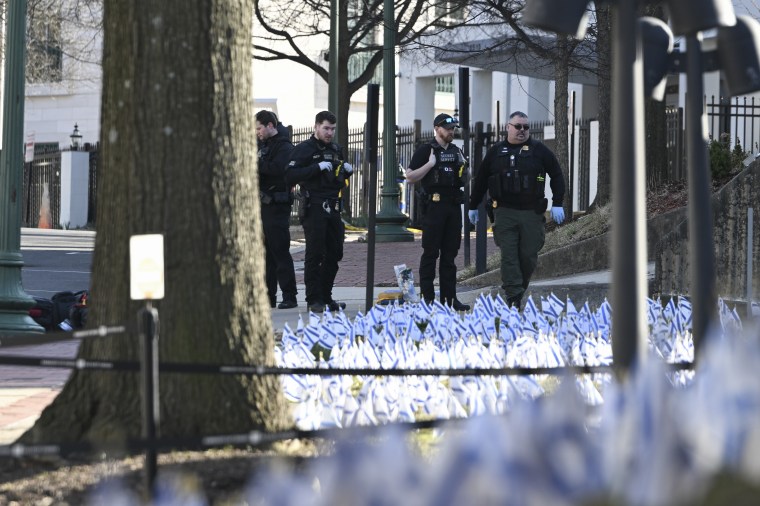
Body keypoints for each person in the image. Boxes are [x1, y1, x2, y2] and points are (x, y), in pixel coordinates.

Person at [467, 111, 566, 309]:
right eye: (518, 126)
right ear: (508, 127)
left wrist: (557, 202)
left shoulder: (539, 150)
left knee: (528, 255)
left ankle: (518, 290)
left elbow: (556, 174)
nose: (522, 131)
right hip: (504, 212)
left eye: (525, 127)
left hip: (531, 212)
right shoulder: (496, 152)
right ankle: (514, 297)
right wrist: (473, 205)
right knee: (509, 255)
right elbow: (481, 179)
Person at [286, 111, 353, 313]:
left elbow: (338, 179)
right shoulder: (304, 149)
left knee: (335, 252)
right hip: (314, 205)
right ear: (316, 127)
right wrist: (315, 168)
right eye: (326, 128)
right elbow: (289, 175)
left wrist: (345, 170)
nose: (329, 132)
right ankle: (314, 299)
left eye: (332, 129)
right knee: (315, 254)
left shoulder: (335, 149)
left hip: (332, 206)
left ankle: (326, 295)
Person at [405, 113, 471, 311]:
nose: (451, 131)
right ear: (437, 128)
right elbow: (409, 176)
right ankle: (428, 298)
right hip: (434, 208)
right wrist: (430, 165)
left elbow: (466, 178)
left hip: (452, 207)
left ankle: (450, 299)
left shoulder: (456, 150)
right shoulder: (426, 150)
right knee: (430, 254)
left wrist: (465, 171)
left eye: (453, 129)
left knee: (450, 256)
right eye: (447, 128)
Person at [256, 110, 298, 309]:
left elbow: (278, 170)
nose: (257, 132)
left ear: (270, 125)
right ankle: (268, 296)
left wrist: (257, 164)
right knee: (267, 254)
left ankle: (289, 295)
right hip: (263, 205)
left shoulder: (284, 146)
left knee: (279, 251)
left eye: (259, 128)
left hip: (277, 205)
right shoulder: (263, 145)